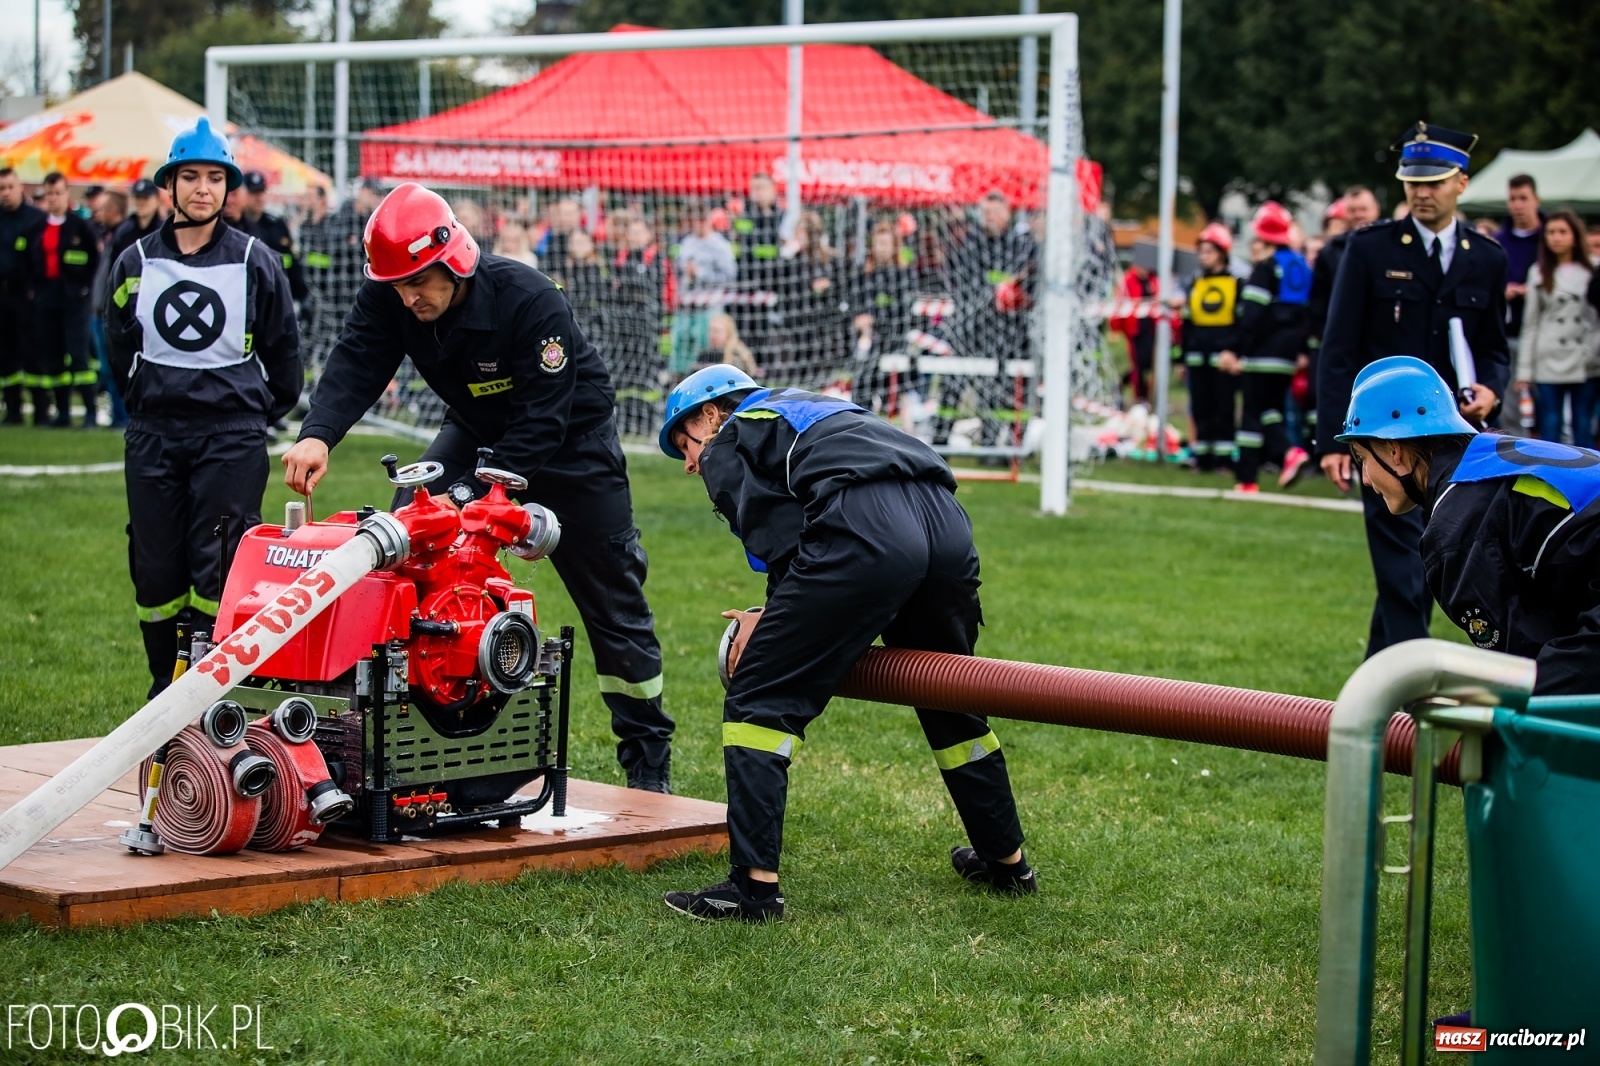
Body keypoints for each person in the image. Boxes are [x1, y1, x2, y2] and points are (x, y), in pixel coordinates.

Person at [280, 182, 675, 792]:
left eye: (420, 283)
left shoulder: (530, 299)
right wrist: (318, 435)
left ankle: (648, 762)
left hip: (571, 446)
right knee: (397, 544)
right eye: (398, 286)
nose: (409, 297)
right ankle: (404, 748)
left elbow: (544, 420)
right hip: (473, 431)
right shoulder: (392, 292)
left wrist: (463, 499)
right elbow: (356, 359)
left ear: (453, 262)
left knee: (613, 601)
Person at [656, 365, 1033, 921]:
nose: (690, 463)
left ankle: (752, 891)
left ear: (710, 414)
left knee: (760, 697)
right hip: (946, 524)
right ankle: (1008, 863)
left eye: (683, 444)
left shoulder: (730, 436)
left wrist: (770, 620)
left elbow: (782, 541)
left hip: (868, 527)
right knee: (951, 699)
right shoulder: (817, 406)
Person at [104, 118, 301, 695]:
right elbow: (118, 342)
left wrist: (258, 411)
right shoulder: (135, 260)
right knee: (156, 567)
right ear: (169, 185)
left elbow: (283, 348)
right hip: (154, 434)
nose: (202, 188)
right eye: (189, 176)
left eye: (215, 178)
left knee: (219, 562)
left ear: (227, 187)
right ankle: (162, 689)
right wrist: (147, 401)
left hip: (232, 436)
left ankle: (213, 689)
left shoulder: (255, 260)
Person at [1316, 121, 1509, 657]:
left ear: (1461, 183)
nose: (1421, 192)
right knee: (1402, 570)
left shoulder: (1487, 258)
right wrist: (1334, 443)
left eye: (1435, 181)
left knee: (1426, 565)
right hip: (1382, 436)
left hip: (1453, 438)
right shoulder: (1369, 249)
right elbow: (1337, 348)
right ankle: (1412, 700)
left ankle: (1374, 692)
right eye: (1412, 181)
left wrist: (1491, 388)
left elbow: (1494, 345)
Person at [1337, 356, 1600, 693]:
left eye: (1362, 459)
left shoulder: (1454, 531)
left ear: (1394, 451)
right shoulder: (1496, 455)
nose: (1367, 480)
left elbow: (1523, 667)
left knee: (1523, 700)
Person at [1228, 201, 1312, 493]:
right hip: (1288, 355)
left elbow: (1251, 315)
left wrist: (1238, 350)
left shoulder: (1266, 267)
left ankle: (1260, 471)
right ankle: (1256, 473)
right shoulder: (1300, 266)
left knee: (1253, 412)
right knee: (1271, 409)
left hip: (1261, 353)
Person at [1308, 186, 1383, 451]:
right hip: (1343, 342)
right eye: (1352, 210)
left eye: (1363, 209)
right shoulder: (1332, 252)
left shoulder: (1391, 248)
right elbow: (1317, 299)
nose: (1358, 215)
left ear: (1376, 209)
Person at [1515, 211, 1598, 447]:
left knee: (1583, 425)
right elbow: (1530, 324)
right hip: (1549, 357)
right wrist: (1524, 371)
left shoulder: (1593, 270)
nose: (1556, 238)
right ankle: (1548, 479)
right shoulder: (1538, 271)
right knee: (1550, 425)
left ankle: (1588, 481)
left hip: (1585, 356)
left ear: (1574, 235)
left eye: (1562, 232)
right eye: (1551, 232)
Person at [23, 172, 100, 428]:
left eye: (58, 193)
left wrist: (84, 289)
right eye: (50, 194)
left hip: (74, 299)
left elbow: (95, 261)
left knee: (79, 356)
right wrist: (35, 289)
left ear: (67, 194)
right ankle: (63, 412)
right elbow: (29, 262)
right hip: (47, 299)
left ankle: (90, 411)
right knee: (52, 355)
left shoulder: (80, 226)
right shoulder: (38, 228)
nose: (54, 198)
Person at [1179, 222, 1241, 472]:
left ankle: (1224, 460)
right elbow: (1186, 323)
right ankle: (1202, 458)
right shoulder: (1194, 283)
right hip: (1197, 355)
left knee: (1224, 407)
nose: (1204, 257)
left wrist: (1235, 351)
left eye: (1209, 251)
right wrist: (1180, 358)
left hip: (1223, 357)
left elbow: (1241, 323)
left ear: (1223, 254)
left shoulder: (1236, 283)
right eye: (1201, 251)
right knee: (1200, 408)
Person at [669, 200, 737, 376]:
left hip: (709, 306)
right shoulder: (687, 242)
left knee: (704, 344)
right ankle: (677, 378)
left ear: (705, 220)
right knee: (680, 341)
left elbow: (730, 277)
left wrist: (700, 274)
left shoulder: (720, 245)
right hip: (686, 304)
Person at [0, 166, 46, 424]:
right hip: (2, 295)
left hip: (27, 297)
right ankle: (13, 409)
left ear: (20, 188)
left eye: (9, 187)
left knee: (33, 352)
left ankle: (41, 409)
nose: (5, 193)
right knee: (5, 355)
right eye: (1, 189)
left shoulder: (35, 219)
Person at [238, 170, 309, 303]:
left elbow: (291, 262)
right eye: (254, 193)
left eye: (261, 192)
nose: (259, 198)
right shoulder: (236, 227)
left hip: (278, 295)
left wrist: (302, 295)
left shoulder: (276, 225)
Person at [1493, 175, 1543, 359]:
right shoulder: (1497, 242)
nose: (1518, 205)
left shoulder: (1551, 239)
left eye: (1523, 198)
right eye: (1513, 199)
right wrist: (1501, 291)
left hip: (1544, 332)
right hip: (1507, 331)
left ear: (1536, 200)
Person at [696, 312, 758, 376]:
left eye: (716, 331)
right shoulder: (705, 354)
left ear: (728, 333)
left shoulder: (738, 354)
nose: (712, 335)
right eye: (710, 330)